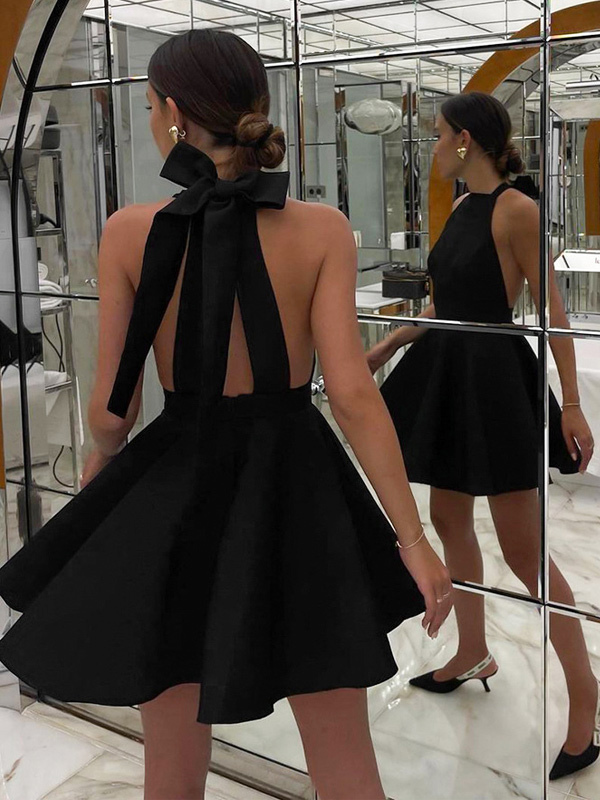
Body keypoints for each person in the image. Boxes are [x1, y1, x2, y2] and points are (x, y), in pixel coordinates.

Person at [0, 30, 452, 800]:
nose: (151, 122)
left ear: (175, 114)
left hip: (179, 485)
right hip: (300, 489)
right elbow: (352, 394)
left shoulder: (130, 231)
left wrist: (104, 466)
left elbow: (113, 412)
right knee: (344, 756)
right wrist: (414, 540)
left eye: (150, 108)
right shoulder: (321, 229)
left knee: (172, 765)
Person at [366, 91, 598, 781]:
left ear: (466, 139)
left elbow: (553, 314)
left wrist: (573, 405)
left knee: (526, 556)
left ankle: (586, 695)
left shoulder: (515, 209)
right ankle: (472, 651)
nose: (433, 147)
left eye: (438, 135)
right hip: (450, 372)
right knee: (447, 518)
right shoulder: (465, 206)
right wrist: (388, 346)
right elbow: (446, 304)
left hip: (493, 382)